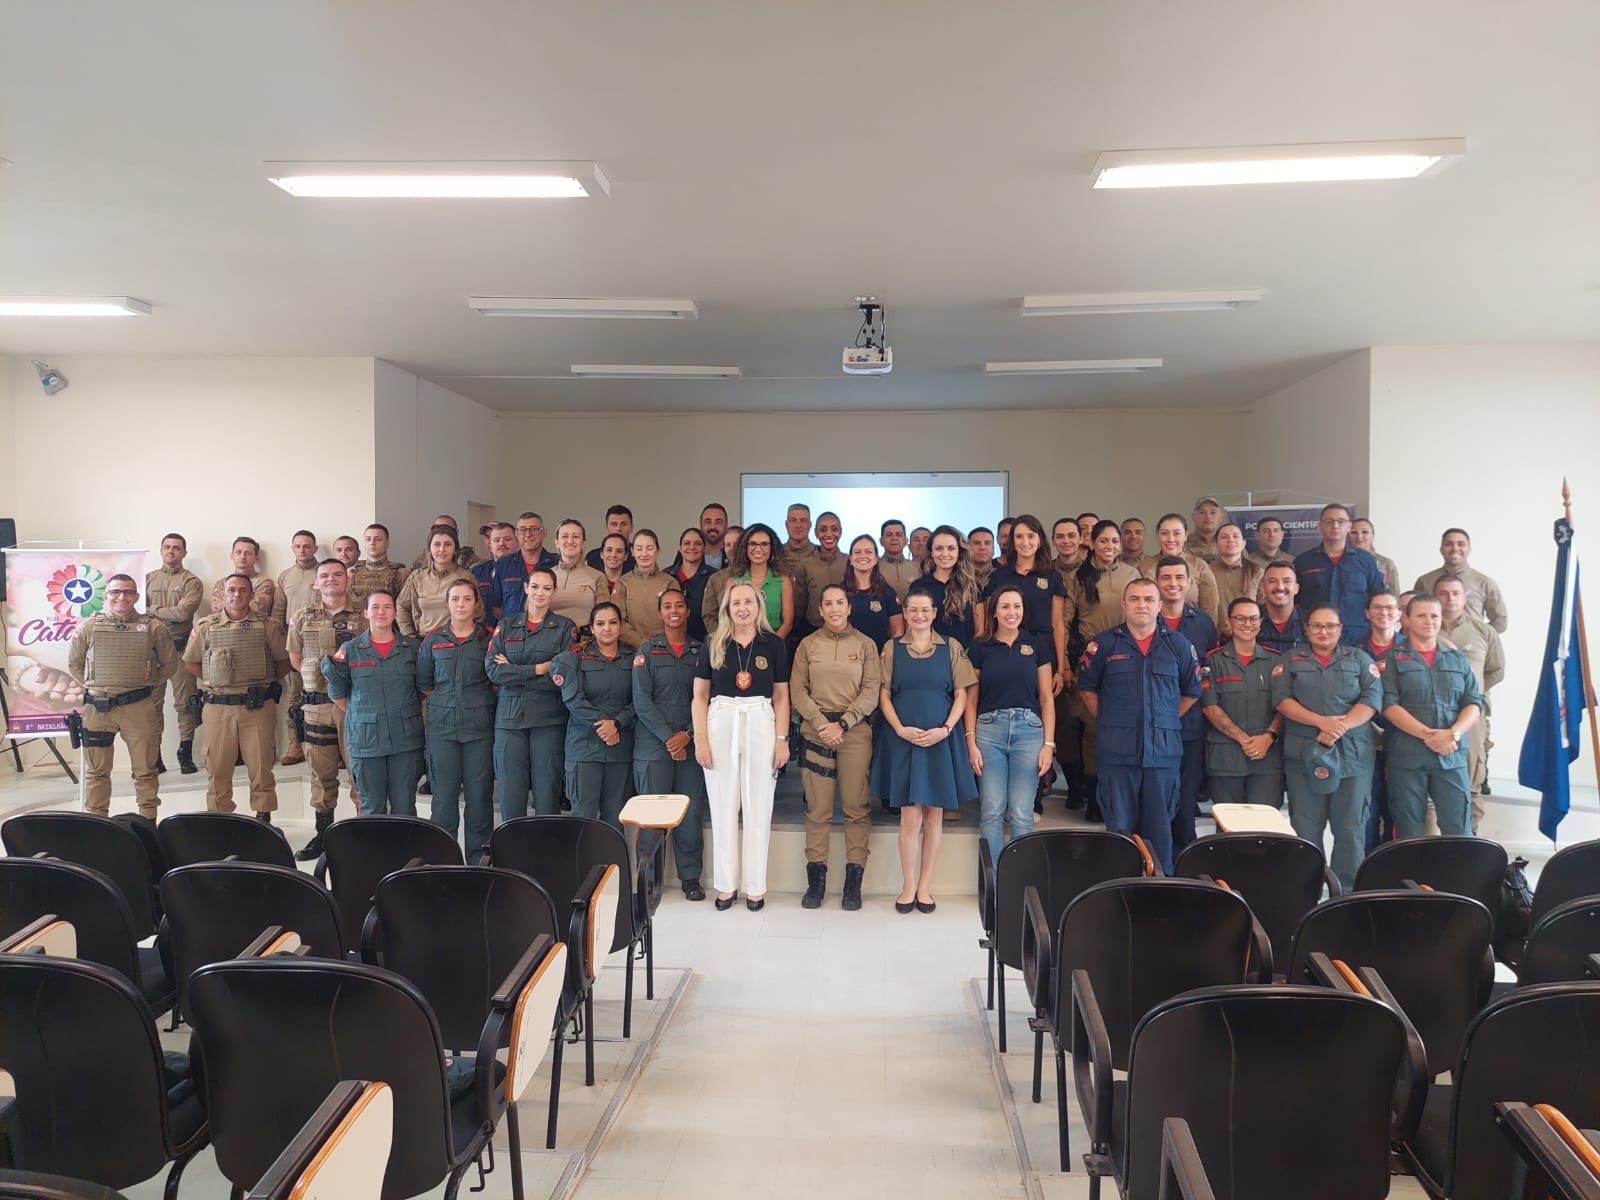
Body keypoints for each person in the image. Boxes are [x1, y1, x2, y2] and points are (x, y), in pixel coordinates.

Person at [1076, 578, 1203, 874]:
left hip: (1162, 756)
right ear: (1124, 605)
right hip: (1117, 756)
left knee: (1160, 832)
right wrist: (1111, 721)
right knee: (1120, 833)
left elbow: (1191, 691)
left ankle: (1159, 896)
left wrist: (1166, 719)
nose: (1141, 605)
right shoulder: (1103, 644)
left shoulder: (1178, 645)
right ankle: (1119, 895)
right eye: (1134, 599)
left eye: (1148, 599)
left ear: (1160, 605)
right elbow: (1086, 688)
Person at [873, 583, 977, 913]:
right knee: (909, 818)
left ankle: (925, 887)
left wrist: (946, 729)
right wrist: (899, 728)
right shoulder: (891, 648)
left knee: (934, 816)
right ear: (904, 612)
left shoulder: (951, 646)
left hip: (940, 740)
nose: (919, 615)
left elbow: (962, 693)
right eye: (913, 610)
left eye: (925, 610)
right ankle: (906, 886)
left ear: (934, 614)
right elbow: (883, 694)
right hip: (904, 740)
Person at [692, 581, 791, 911]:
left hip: (761, 719)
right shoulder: (714, 643)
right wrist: (701, 740)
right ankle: (725, 885)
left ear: (759, 606)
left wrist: (781, 740)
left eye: (749, 601)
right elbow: (699, 696)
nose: (743, 608)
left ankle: (755, 887)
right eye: (736, 603)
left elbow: (781, 696)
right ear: (727, 608)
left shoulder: (773, 644)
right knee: (722, 806)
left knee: (758, 806)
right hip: (721, 718)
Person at [1270, 603, 1381, 890]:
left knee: (1350, 829)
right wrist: (1321, 722)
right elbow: (1282, 701)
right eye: (1316, 625)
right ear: (1306, 629)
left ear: (1340, 629)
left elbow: (1371, 701)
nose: (1323, 631)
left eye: (1330, 625)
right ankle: (1306, 891)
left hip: (1352, 758)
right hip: (1304, 757)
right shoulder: (1290, 660)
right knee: (1306, 827)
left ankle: (1344, 894)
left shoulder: (1359, 659)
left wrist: (1339, 726)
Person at [790, 584, 881, 910]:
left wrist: (843, 723)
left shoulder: (866, 645)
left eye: (839, 602)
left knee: (856, 808)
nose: (834, 609)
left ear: (849, 607)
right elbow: (797, 689)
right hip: (817, 733)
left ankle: (853, 884)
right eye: (827, 603)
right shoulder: (807, 644)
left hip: (853, 733)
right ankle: (816, 882)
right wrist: (820, 723)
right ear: (820, 610)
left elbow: (872, 690)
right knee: (818, 810)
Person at [65, 574, 178, 819]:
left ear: (137, 596)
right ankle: (98, 822)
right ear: (106, 596)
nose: (121, 597)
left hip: (138, 707)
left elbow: (169, 665)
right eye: (115, 592)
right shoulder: (88, 627)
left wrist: (145, 684)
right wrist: (98, 685)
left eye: (128, 592)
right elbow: (74, 665)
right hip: (98, 709)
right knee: (97, 772)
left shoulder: (154, 627)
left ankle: (148, 823)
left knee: (146, 770)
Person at [185, 573, 291, 819]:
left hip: (257, 706)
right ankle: (221, 823)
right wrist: (215, 680)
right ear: (223, 594)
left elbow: (284, 662)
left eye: (243, 590)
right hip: (218, 707)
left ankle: (263, 820)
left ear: (252, 595)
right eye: (231, 590)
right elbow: (190, 663)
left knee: (262, 767)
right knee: (218, 769)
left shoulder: (268, 626)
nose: (237, 595)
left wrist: (263, 681)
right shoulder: (206, 626)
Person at [1379, 595, 1483, 839]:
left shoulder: (1457, 659)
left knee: (1459, 829)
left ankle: (1456, 878)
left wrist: (1451, 734)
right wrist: (1430, 737)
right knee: (1409, 831)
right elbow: (1389, 706)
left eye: (1434, 615)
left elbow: (1473, 703)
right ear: (1406, 619)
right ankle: (1413, 878)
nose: (1429, 621)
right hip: (1407, 757)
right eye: (1421, 615)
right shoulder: (1389, 660)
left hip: (1451, 755)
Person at [967, 583, 1054, 866]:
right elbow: (971, 700)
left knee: (1021, 811)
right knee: (992, 809)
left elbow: (1046, 699)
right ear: (994, 612)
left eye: (1016, 606)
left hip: (1029, 732)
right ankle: (992, 881)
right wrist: (970, 741)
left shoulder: (1037, 645)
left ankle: (1018, 881)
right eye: (1005, 606)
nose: (1011, 612)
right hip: (988, 732)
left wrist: (1048, 745)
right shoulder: (980, 648)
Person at [1060, 521, 1142, 818]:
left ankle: (1116, 798)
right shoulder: (1078, 578)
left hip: (1125, 658)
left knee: (1120, 728)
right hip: (1089, 656)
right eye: (1104, 541)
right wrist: (1066, 664)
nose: (1110, 547)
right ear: (1091, 543)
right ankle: (1092, 798)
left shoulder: (1132, 575)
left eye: (1115, 542)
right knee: (1091, 728)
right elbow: (1066, 623)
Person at [285, 558, 365, 860]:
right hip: (316, 706)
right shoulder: (302, 617)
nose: (331, 579)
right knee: (321, 774)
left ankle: (360, 835)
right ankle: (323, 836)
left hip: (353, 707)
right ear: (316, 583)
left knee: (359, 772)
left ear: (347, 580)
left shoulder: (363, 616)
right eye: (325, 576)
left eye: (337, 574)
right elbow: (295, 658)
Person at [633, 589, 708, 900]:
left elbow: (707, 699)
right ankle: (647, 879)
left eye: (679, 605)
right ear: (660, 612)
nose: (674, 610)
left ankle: (690, 877)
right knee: (652, 814)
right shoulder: (647, 651)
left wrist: (687, 736)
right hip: (654, 747)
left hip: (691, 747)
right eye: (667, 606)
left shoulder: (701, 651)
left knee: (690, 814)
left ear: (687, 612)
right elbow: (641, 700)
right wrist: (669, 737)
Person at [323, 590, 424, 815]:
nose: (381, 612)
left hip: (404, 740)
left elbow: (422, 689)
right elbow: (338, 693)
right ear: (366, 613)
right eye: (376, 607)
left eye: (387, 607)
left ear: (395, 613)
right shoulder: (350, 651)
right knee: (371, 807)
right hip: (366, 742)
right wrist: (364, 714)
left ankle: (405, 851)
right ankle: (374, 852)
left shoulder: (413, 649)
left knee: (405, 806)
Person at [487, 568, 576, 819]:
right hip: (509, 722)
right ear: (526, 587)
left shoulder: (564, 628)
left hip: (548, 720)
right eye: (535, 586)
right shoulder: (506, 625)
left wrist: (513, 671)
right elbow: (493, 671)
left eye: (547, 588)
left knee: (547, 797)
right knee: (511, 797)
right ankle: (510, 857)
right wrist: (539, 668)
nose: (540, 593)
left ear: (554, 592)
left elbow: (561, 676)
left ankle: (547, 858)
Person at [416, 579, 495, 862]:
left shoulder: (488, 640)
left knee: (479, 803)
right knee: (444, 803)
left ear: (476, 603)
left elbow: (495, 681)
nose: (460, 604)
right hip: (442, 730)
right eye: (455, 599)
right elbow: (425, 683)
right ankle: (445, 864)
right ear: (447, 603)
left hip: (479, 730)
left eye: (466, 599)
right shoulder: (433, 641)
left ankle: (479, 864)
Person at [1154, 556, 1218, 852]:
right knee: (1155, 794)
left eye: (1179, 577)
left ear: (1189, 583)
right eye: (1166, 577)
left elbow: (1207, 669)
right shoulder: (1144, 619)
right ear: (1157, 582)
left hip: (1189, 722)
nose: (1173, 583)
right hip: (1151, 724)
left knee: (1187, 793)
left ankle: (1184, 857)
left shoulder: (1203, 622)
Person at [551, 601, 635, 828]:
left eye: (612, 622)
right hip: (584, 750)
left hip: (619, 750)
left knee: (615, 821)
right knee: (583, 820)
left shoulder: (634, 659)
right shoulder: (575, 658)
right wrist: (605, 725)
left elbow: (639, 700)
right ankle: (582, 866)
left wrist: (617, 724)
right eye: (600, 623)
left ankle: (614, 865)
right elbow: (573, 699)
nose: (607, 628)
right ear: (591, 628)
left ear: (621, 626)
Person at [1200, 597, 1284, 807]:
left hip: (1267, 759)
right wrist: (1245, 740)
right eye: (1241, 618)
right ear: (1229, 622)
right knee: (1229, 831)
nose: (1248, 624)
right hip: (1226, 758)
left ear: (1261, 621)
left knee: (1266, 828)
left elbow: (1285, 705)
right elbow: (1210, 707)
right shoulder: (1212, 661)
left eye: (1253, 619)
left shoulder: (1277, 661)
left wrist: (1268, 737)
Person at [1436, 573, 1505, 826]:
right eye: (1443, 593)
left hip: (1471, 715)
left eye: (1455, 593)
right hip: (1431, 714)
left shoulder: (1484, 632)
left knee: (1471, 776)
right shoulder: (1423, 628)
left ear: (1465, 598)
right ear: (1435, 597)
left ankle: (1471, 835)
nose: (1450, 598)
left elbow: (1496, 670)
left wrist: (1469, 696)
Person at [981, 514, 1067, 692]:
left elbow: (1058, 624)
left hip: (1043, 648)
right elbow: (989, 619)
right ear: (1012, 542)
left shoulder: (1053, 576)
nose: (1025, 542)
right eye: (1019, 536)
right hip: (1005, 649)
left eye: (1030, 536)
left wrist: (1060, 668)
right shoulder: (999, 576)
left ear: (1040, 540)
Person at [145, 532, 203, 774]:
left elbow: (184, 614)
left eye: (176, 548)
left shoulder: (192, 582)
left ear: (184, 553)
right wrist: (168, 610)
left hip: (181, 650)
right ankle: (155, 756)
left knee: (185, 705)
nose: (171, 551)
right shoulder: (146, 579)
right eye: (167, 547)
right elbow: (139, 613)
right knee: (152, 706)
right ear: (160, 551)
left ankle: (185, 753)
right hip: (153, 652)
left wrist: (153, 609)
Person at [1292, 504, 1386, 644]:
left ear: (1349, 526)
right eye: (1329, 521)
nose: (1335, 526)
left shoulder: (1366, 560)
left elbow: (1379, 598)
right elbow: (1294, 603)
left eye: (1341, 521)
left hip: (1357, 638)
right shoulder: (1303, 562)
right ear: (1320, 526)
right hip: (1315, 637)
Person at [271, 530, 320, 767]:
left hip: (321, 644)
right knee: (294, 697)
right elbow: (278, 613)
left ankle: (324, 746)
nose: (303, 550)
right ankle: (296, 745)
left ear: (315, 548)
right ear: (292, 549)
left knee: (323, 695)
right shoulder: (284, 576)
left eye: (307, 546)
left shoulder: (324, 573)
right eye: (298, 546)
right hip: (294, 644)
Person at [1361, 590, 1405, 850]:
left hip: (1401, 741)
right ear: (1367, 612)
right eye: (1377, 607)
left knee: (1397, 807)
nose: (1384, 613)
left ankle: (1392, 867)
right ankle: (1367, 871)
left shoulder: (1412, 649)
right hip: (1363, 742)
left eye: (1390, 608)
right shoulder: (1352, 649)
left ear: (1400, 614)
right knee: (1366, 808)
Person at [705, 523, 793, 640]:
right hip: (741, 646)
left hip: (775, 644)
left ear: (772, 548)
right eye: (752, 544)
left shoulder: (783, 581)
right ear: (744, 548)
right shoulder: (732, 582)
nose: (758, 549)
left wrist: (773, 646)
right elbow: (728, 620)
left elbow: (788, 623)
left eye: (764, 544)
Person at [1414, 528, 1508, 632]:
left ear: (1469, 549)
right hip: (1435, 644)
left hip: (1471, 646)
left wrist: (1480, 637)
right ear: (1441, 549)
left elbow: (1500, 621)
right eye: (1449, 544)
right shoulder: (1425, 582)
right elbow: (1414, 615)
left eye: (1461, 544)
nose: (1455, 548)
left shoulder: (1484, 583)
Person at [1139, 514, 1221, 627]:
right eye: (1165, 533)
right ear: (1158, 536)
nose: (1171, 539)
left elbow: (1210, 607)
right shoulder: (1144, 567)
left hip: (1193, 630)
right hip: (1153, 631)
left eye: (1177, 533)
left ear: (1185, 535)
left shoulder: (1199, 566)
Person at [396, 524, 476, 637]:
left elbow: (478, 614)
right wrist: (410, 636)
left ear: (455, 549)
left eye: (448, 544)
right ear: (429, 548)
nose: (442, 549)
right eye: (437, 544)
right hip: (423, 641)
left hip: (457, 642)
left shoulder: (466, 577)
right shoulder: (417, 577)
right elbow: (402, 607)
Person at [615, 530, 682, 647]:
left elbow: (677, 618)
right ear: (632, 552)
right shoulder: (622, 583)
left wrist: (659, 644)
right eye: (639, 548)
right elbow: (619, 621)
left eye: (649, 548)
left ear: (658, 551)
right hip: (630, 650)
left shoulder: (670, 582)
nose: (644, 553)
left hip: (664, 648)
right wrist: (643, 645)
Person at [490, 512, 560, 622]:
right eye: (523, 530)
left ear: (544, 533)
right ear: (517, 534)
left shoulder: (556, 562)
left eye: (534, 529)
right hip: (511, 633)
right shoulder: (503, 564)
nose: (528, 534)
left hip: (547, 633)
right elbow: (496, 607)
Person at [921, 526, 980, 646]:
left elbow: (980, 631)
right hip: (928, 657)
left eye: (951, 548)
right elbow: (913, 629)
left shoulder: (972, 586)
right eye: (938, 548)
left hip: (965, 657)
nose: (945, 553)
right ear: (931, 552)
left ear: (959, 552)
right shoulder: (919, 587)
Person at [843, 534, 905, 650]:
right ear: (850, 559)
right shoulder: (840, 592)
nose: (863, 556)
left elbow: (897, 631)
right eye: (857, 552)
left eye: (868, 552)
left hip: (878, 658)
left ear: (876, 559)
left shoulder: (888, 593)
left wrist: (887, 656)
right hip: (847, 660)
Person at [798, 511, 848, 636]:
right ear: (815, 533)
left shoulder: (850, 562)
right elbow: (799, 605)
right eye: (823, 529)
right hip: (813, 630)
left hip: (846, 630)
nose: (829, 534)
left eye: (834, 529)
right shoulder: (804, 565)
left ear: (840, 532)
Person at [549, 519, 607, 628]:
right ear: (557, 542)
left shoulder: (597, 577)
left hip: (584, 642)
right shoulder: (545, 577)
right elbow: (531, 612)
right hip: (549, 642)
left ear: (583, 543)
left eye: (575, 536)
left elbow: (604, 617)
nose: (570, 541)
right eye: (565, 536)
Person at [779, 504, 818, 645]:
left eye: (803, 520)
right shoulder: (775, 555)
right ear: (786, 524)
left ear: (810, 525)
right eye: (793, 520)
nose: (798, 525)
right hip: (780, 627)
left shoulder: (820, 555)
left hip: (813, 628)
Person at [209, 536, 277, 618]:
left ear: (256, 558)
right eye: (238, 552)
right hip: (223, 628)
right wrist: (244, 604)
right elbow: (215, 608)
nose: (242, 557)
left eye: (248, 553)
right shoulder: (222, 583)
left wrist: (226, 603)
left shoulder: (264, 583)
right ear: (231, 556)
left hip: (253, 628)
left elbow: (257, 609)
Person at [1209, 524, 1263, 622]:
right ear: (1216, 544)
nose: (1230, 540)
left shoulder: (1256, 571)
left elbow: (1263, 607)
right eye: (1224, 537)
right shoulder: (1207, 571)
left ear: (1244, 543)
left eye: (1235, 536)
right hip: (1214, 633)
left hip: (1248, 631)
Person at [670, 527, 716, 641]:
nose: (692, 547)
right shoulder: (667, 576)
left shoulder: (715, 577)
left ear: (704, 548)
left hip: (706, 642)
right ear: (680, 548)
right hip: (672, 644)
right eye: (687, 543)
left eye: (697, 544)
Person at [348, 524, 408, 609]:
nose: (372, 543)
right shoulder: (351, 572)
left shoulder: (401, 573)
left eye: (378, 539)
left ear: (387, 543)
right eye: (368, 539)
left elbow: (406, 608)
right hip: (356, 621)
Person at [1257, 564, 1306, 652]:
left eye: (1286, 581)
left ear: (1296, 588)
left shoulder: (1309, 622)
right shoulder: (1250, 621)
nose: (1280, 587)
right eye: (1272, 581)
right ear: (1262, 588)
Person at [408, 513, 478, 571]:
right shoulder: (419, 562)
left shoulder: (471, 560)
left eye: (448, 530)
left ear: (456, 533)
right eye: (437, 529)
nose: (442, 533)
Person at [474, 521, 517, 611]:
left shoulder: (525, 569)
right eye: (496, 539)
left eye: (507, 539)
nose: (501, 543)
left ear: (517, 541)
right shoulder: (477, 572)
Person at [1348, 518, 1399, 590]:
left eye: (1365, 532)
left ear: (1373, 535)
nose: (1359, 536)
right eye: (1354, 532)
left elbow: (1394, 595)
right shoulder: (1342, 561)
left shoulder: (1386, 564)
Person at [585, 505, 636, 574]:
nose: (618, 528)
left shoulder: (639, 557)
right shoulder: (592, 557)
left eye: (624, 524)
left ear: (632, 527)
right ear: (606, 527)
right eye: (614, 524)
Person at [877, 519, 919, 600]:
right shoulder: (873, 568)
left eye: (898, 534)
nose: (894, 538)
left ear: (906, 541)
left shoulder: (917, 568)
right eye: (889, 535)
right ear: (881, 541)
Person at [1185, 497, 1226, 563]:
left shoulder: (1231, 544)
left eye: (1213, 512)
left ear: (1221, 517)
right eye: (1202, 512)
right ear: (1193, 517)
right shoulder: (1183, 544)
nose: (1208, 516)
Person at [595, 533, 630, 598]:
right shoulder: (592, 582)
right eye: (609, 550)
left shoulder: (632, 583)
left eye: (619, 551)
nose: (613, 555)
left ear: (626, 556)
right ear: (602, 554)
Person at [700, 503, 730, 571]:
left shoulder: (735, 552)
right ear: (701, 525)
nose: (713, 526)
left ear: (726, 525)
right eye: (708, 522)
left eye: (718, 522)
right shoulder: (692, 551)